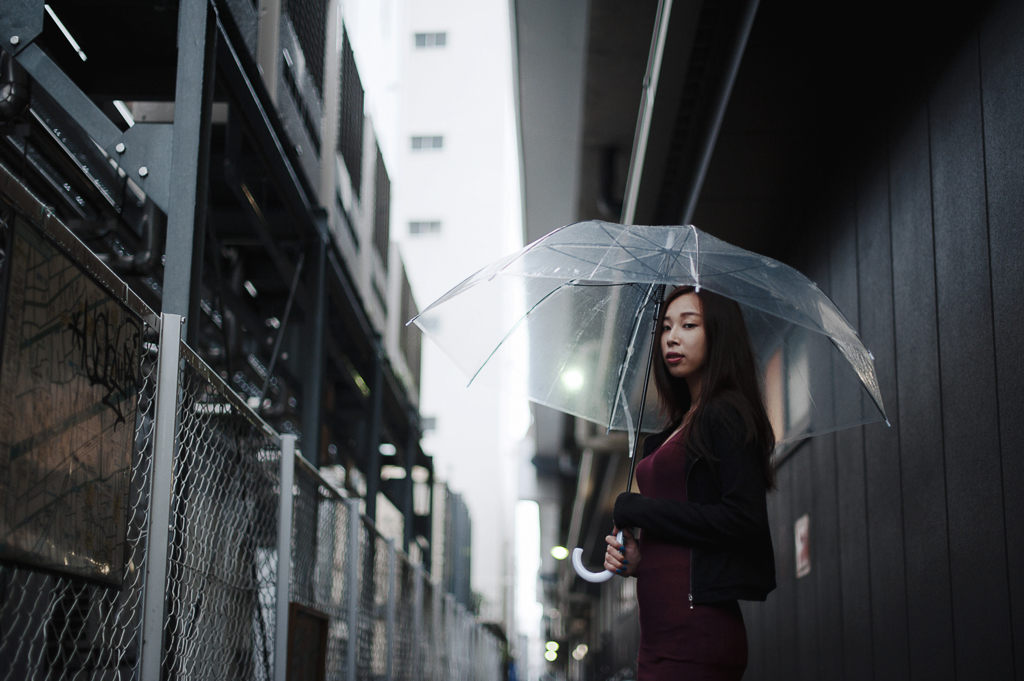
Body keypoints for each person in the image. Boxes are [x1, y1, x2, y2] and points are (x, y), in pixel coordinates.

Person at [603, 285, 777, 681]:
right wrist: (637, 557)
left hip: (697, 632)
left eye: (688, 325)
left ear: (719, 333)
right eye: (665, 328)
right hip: (658, 633)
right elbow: (680, 526)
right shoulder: (676, 427)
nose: (672, 337)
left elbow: (742, 517)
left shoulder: (726, 412)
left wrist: (639, 508)